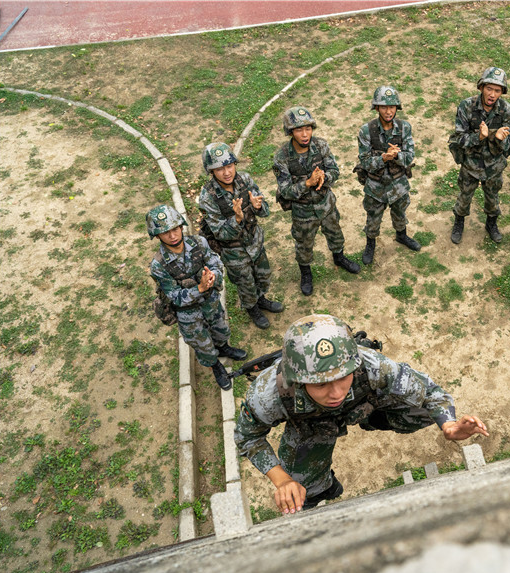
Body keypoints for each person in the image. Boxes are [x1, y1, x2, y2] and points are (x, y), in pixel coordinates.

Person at [234, 314, 489, 512]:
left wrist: (449, 425)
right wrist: (282, 480)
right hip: (308, 424)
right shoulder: (268, 395)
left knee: (422, 409)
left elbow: (430, 392)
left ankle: (374, 419)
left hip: (361, 404)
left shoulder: (372, 366)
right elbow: (247, 437)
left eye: (343, 378)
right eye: (321, 384)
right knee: (303, 487)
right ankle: (322, 489)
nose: (336, 393)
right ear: (298, 380)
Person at [147, 205, 247, 390]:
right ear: (157, 235)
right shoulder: (158, 265)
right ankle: (215, 364)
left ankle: (224, 347)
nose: (173, 235)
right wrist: (199, 288)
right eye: (165, 232)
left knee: (220, 328)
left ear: (181, 226)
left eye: (175, 228)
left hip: (210, 302)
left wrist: (213, 276)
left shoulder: (199, 243)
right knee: (202, 344)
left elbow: (215, 263)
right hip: (188, 313)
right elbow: (174, 296)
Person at [273, 106, 361, 297]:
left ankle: (339, 258)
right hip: (303, 212)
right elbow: (286, 191)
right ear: (290, 132)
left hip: (326, 204)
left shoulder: (321, 146)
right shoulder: (282, 157)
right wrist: (307, 183)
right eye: (299, 130)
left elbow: (334, 171)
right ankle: (306, 274)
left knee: (335, 233)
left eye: (308, 128)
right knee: (304, 245)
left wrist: (324, 178)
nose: (305, 134)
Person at [198, 142, 283, 329]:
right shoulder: (208, 197)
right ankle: (252, 308)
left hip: (254, 241)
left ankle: (261, 299)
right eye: (219, 169)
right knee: (245, 283)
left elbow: (265, 210)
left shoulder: (245, 180)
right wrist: (236, 219)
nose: (226, 172)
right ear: (211, 171)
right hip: (234, 251)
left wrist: (258, 206)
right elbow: (219, 232)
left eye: (229, 166)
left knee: (263, 275)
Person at [447, 66, 510, 244]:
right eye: (489, 88)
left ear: (502, 92)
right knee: (464, 195)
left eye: (497, 90)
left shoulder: (506, 110)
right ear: (481, 87)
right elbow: (459, 138)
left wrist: (500, 139)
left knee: (492, 198)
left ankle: (491, 224)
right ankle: (459, 222)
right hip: (470, 163)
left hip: (493, 165)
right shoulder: (467, 106)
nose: (492, 94)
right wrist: (478, 137)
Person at [356, 86, 420, 265]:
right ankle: (370, 244)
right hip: (375, 185)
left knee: (400, 211)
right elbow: (365, 162)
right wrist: (384, 158)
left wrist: (397, 155)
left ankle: (402, 235)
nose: (388, 111)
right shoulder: (366, 131)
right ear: (376, 108)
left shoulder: (404, 127)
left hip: (398, 182)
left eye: (392, 106)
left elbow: (409, 157)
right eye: (384, 107)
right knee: (373, 216)